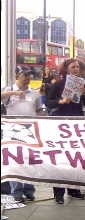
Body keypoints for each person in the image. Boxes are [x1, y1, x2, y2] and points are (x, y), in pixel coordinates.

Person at [45, 58, 85, 204]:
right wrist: (60, 101)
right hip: (61, 125)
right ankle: (59, 192)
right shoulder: (59, 84)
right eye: (73, 67)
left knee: (75, 157)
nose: (76, 69)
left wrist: (83, 94)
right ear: (66, 69)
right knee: (60, 158)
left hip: (76, 124)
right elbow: (47, 101)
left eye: (78, 67)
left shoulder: (83, 85)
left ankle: (74, 189)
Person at [1, 65, 42, 203]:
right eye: (25, 75)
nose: (28, 78)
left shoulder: (34, 93)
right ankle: (16, 192)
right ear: (18, 76)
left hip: (30, 131)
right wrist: (14, 93)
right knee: (15, 161)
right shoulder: (9, 90)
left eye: (29, 75)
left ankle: (29, 190)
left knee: (30, 161)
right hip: (13, 131)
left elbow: (38, 111)